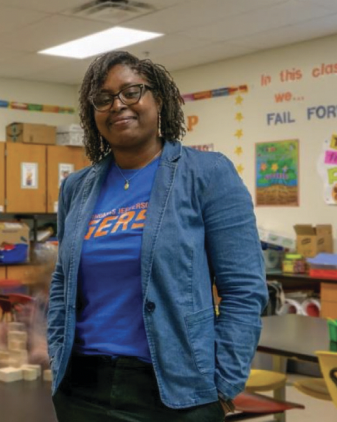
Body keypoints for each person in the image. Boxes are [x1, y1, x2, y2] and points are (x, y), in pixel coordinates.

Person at [47, 51, 268, 421]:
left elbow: (244, 288)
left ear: (159, 100)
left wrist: (224, 382)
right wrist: (57, 352)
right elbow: (62, 281)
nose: (118, 105)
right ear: (92, 113)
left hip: (176, 389)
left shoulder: (207, 174)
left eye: (132, 92)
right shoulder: (77, 188)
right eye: (103, 98)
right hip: (81, 387)